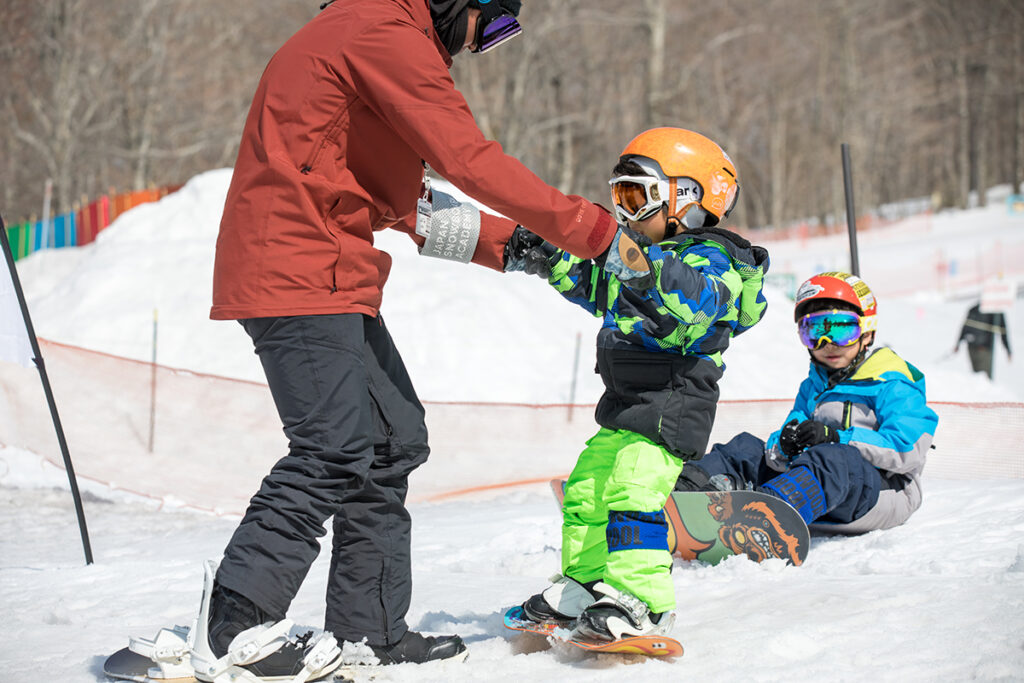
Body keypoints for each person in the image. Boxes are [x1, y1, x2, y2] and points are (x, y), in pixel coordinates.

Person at [194, 1, 652, 680]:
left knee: (390, 440)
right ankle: (238, 622)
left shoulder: (368, 37)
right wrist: (593, 230)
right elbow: (468, 157)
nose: (479, 45)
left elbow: (409, 201)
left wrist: (522, 245)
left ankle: (368, 630)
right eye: (490, 24)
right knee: (331, 446)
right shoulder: (381, 31)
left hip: (325, 269)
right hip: (293, 265)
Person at [507, 127, 770, 641]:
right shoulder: (638, 256)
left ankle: (644, 602)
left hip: (674, 401)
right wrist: (550, 256)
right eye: (619, 197)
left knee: (633, 490)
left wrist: (628, 256)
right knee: (587, 488)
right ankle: (584, 584)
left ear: (690, 200)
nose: (626, 212)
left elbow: (697, 301)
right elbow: (595, 282)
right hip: (627, 403)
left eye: (638, 197)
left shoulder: (714, 258)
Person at [676, 272, 939, 537]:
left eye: (841, 330)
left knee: (836, 457)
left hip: (883, 493)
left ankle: (764, 518)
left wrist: (839, 438)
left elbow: (907, 449)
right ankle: (681, 495)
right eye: (814, 332)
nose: (827, 344)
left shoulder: (893, 383)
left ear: (867, 332)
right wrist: (785, 445)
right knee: (746, 448)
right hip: (820, 489)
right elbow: (783, 442)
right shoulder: (813, 385)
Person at [955, 302, 1012, 379]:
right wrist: (958, 344)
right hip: (977, 348)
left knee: (981, 377)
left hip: (980, 348)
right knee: (979, 378)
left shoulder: (995, 312)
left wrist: (1008, 349)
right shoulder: (975, 309)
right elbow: (965, 327)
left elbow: (1003, 331)